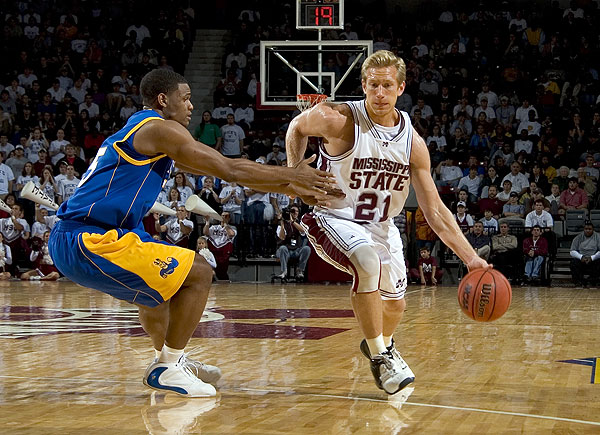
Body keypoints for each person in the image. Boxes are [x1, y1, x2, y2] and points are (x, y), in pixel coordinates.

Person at [48, 69, 340, 398]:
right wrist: (290, 176)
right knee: (199, 272)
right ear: (163, 100)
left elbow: (228, 172)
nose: (191, 106)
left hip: (90, 237)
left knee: (157, 292)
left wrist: (290, 184)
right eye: (185, 98)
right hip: (88, 238)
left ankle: (169, 359)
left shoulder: (150, 134)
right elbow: (228, 167)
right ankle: (168, 366)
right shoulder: (159, 129)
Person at [285, 50, 489, 395]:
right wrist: (295, 174)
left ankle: (381, 344)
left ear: (401, 88)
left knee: (395, 304)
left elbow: (435, 210)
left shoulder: (413, 142)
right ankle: (381, 357)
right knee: (366, 262)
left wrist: (471, 258)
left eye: (387, 86)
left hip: (382, 225)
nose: (380, 93)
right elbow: (297, 126)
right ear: (364, 85)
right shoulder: (339, 119)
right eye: (374, 85)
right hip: (333, 215)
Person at [275, 206, 311, 280]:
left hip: (296, 249)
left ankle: (300, 271)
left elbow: (303, 231)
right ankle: (284, 272)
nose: (295, 213)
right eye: (293, 211)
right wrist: (282, 223)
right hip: (286, 250)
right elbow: (282, 237)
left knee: (307, 249)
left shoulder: (300, 223)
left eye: (296, 211)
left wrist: (293, 222)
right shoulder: (282, 224)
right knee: (282, 248)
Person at [203, 211, 237, 280]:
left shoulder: (232, 228)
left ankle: (225, 285)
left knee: (222, 273)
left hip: (224, 253)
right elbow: (205, 233)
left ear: (229, 218)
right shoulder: (214, 227)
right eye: (222, 216)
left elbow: (231, 234)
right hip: (213, 252)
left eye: (226, 216)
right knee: (211, 271)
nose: (223, 217)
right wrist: (207, 222)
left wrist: (225, 224)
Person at [569, 222, 600, 286]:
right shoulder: (578, 237)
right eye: (586, 229)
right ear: (583, 229)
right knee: (573, 262)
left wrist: (592, 258)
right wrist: (581, 257)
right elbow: (572, 251)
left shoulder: (598, 237)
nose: (587, 231)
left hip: (594, 259)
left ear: (593, 229)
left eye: (589, 229)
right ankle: (579, 281)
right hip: (582, 259)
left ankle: (594, 281)